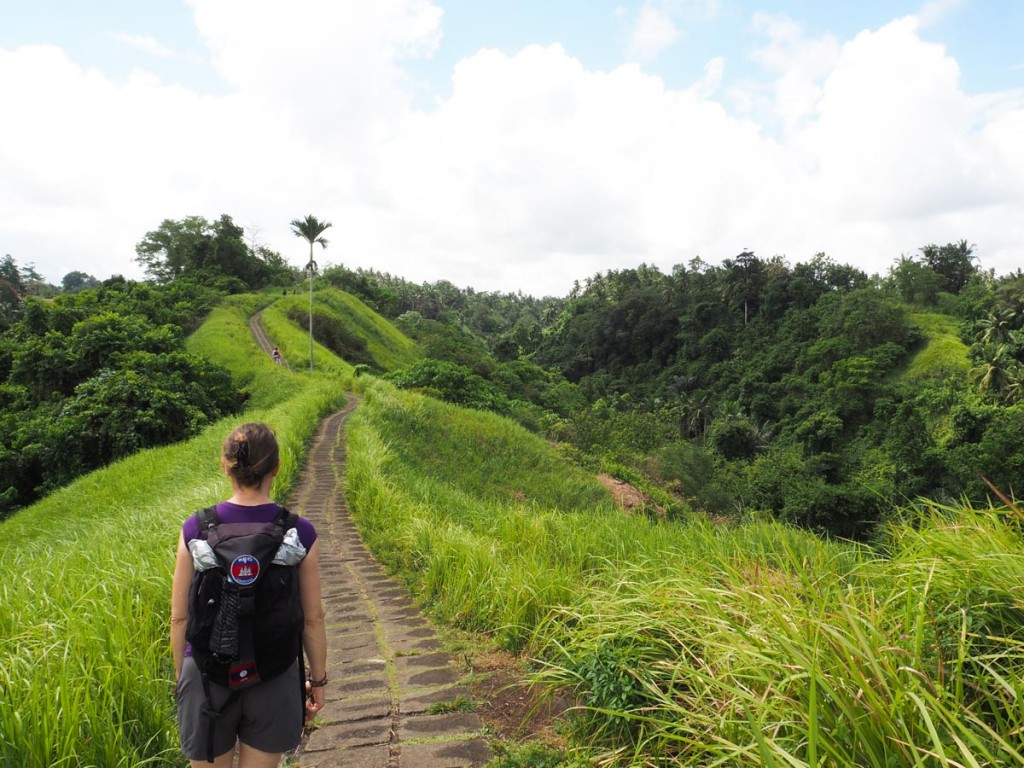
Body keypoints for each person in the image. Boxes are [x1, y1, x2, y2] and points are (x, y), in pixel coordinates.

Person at [170, 423, 327, 767]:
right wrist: (318, 680)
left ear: (225, 465)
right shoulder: (299, 532)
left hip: (206, 675)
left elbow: (179, 617)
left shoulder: (196, 528)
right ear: (277, 467)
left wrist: (183, 678)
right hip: (274, 672)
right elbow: (312, 619)